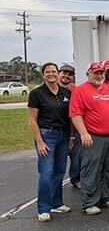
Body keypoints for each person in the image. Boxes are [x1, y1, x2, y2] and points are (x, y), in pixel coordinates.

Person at [70, 61, 109, 215]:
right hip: (92, 136)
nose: (99, 75)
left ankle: (106, 196)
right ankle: (89, 202)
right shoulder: (80, 90)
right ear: (88, 73)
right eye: (95, 73)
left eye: (101, 72)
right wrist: (83, 133)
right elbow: (75, 114)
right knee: (91, 169)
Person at [28, 62, 74, 222]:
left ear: (58, 73)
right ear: (43, 75)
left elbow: (71, 118)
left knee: (60, 170)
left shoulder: (66, 93)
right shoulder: (37, 94)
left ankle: (57, 203)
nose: (51, 74)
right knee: (46, 172)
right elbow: (32, 120)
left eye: (54, 71)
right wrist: (39, 141)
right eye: (47, 72)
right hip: (46, 135)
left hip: (64, 135)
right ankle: (43, 208)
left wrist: (72, 137)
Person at [58, 63, 79, 188]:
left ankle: (75, 179)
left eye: (70, 74)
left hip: (73, 129)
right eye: (64, 73)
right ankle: (56, 182)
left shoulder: (76, 90)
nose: (66, 76)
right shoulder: (52, 89)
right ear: (59, 73)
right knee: (58, 160)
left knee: (76, 157)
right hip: (57, 129)